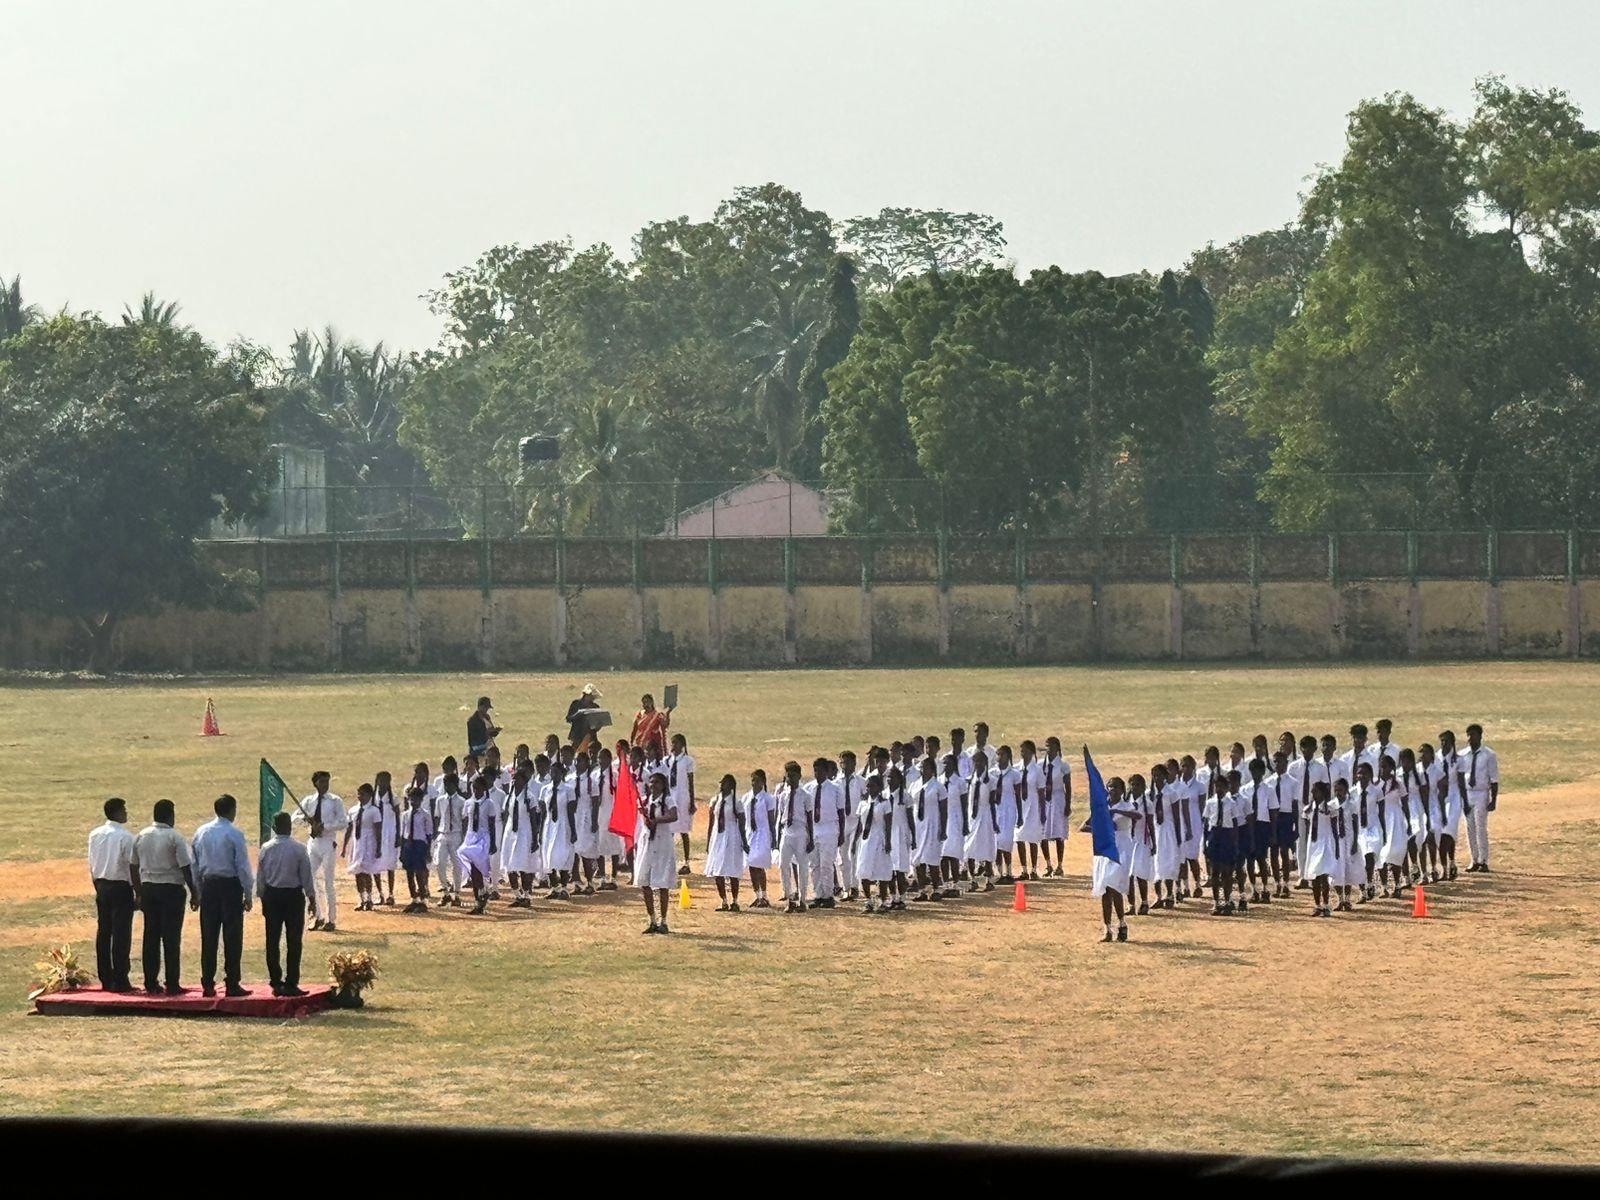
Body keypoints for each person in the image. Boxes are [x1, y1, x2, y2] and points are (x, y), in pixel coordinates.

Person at [131, 799, 197, 995]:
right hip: (171, 890)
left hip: (149, 889)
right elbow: (185, 866)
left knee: (150, 937)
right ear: (170, 816)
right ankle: (172, 982)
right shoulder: (174, 837)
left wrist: (138, 892)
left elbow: (133, 866)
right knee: (171, 937)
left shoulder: (141, 836)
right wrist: (194, 891)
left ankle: (150, 982)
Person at [191, 794, 253, 998]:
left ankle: (207, 983)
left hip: (209, 886)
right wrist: (248, 893)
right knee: (232, 937)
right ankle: (232, 983)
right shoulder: (234, 834)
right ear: (231, 810)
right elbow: (242, 866)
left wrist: (197, 891)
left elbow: (195, 865)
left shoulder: (201, 832)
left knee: (209, 937)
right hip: (230, 887)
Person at [257, 812, 315, 996]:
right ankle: (291, 982)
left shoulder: (266, 848)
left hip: (272, 896)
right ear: (289, 826)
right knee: (294, 940)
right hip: (293, 896)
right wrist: (311, 897)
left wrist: (262, 897)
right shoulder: (298, 849)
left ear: (274, 828)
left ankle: (275, 980)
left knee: (272, 939)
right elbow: (306, 876)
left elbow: (261, 877)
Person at [88, 797, 138, 992]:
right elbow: (130, 866)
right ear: (117, 812)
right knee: (121, 934)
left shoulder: (95, 834)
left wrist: (96, 883)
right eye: (124, 810)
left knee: (104, 932)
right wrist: (136, 890)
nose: (126, 813)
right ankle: (121, 978)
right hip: (120, 887)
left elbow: (92, 862)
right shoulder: (126, 837)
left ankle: (106, 978)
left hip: (101, 885)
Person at [291, 771, 345, 932]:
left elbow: (343, 822)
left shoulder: (335, 801)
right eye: (322, 782)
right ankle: (317, 916)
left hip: (328, 842)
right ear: (315, 783)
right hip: (313, 843)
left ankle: (331, 919)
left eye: (327, 782)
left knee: (328, 881)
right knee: (309, 879)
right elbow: (295, 817)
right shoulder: (309, 801)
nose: (325, 785)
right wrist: (306, 820)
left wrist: (324, 826)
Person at [1092, 776, 1137, 943]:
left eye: (1116, 787)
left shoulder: (1126, 806)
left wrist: (1117, 812)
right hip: (1105, 850)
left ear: (1122, 790)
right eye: (1110, 787)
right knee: (1105, 889)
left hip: (1122, 850)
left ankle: (1122, 922)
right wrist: (1102, 828)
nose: (1113, 790)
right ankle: (1107, 928)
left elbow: (1137, 815)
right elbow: (1085, 825)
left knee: (1114, 887)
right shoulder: (1102, 807)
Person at [637, 771, 680, 934]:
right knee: (645, 881)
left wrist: (657, 820)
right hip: (647, 842)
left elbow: (674, 815)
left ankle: (664, 920)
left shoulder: (667, 800)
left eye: (656, 782)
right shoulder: (644, 801)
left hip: (662, 842)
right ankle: (652, 919)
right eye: (651, 782)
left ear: (663, 785)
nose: (653, 785)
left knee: (662, 882)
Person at [704, 774, 749, 911]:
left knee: (732, 869)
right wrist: (708, 842)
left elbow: (742, 824)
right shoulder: (715, 801)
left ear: (731, 786)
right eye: (722, 783)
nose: (722, 786)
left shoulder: (736, 803)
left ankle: (735, 901)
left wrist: (744, 842)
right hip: (718, 836)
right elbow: (711, 823)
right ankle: (724, 900)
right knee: (717, 870)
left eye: (726, 783)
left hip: (731, 836)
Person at [1458, 723, 1499, 873]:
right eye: (1468, 735)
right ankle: (1474, 859)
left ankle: (1484, 860)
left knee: (1481, 827)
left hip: (1481, 792)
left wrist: (1493, 799)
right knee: (1470, 828)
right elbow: (1460, 778)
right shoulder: (1462, 755)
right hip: (1467, 793)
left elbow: (1494, 779)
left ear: (1480, 736)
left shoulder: (1489, 755)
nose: (1470, 738)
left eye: (1473, 735)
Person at [776, 762, 814, 913]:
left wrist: (810, 838)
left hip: (800, 831)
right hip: (787, 830)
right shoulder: (783, 795)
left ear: (799, 776)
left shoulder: (805, 795)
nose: (789, 779)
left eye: (792, 776)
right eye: (788, 776)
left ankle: (802, 900)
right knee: (783, 864)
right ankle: (790, 897)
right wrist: (778, 836)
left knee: (802, 866)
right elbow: (780, 816)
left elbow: (809, 818)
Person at [342, 784, 382, 911]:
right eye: (358, 794)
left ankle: (369, 899)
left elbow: (378, 830)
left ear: (370, 795)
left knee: (366, 871)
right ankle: (361, 898)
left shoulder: (374, 811)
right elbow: (349, 828)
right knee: (357, 872)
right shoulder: (354, 810)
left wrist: (378, 847)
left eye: (363, 794)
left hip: (368, 842)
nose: (360, 797)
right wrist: (344, 846)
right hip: (357, 843)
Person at [430, 766, 466, 906]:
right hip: (443, 834)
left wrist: (463, 838)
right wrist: (435, 834)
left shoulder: (461, 801)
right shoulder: (440, 800)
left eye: (450, 785)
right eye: (446, 785)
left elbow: (463, 821)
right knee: (439, 863)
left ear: (456, 786)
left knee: (457, 865)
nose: (448, 787)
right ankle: (445, 891)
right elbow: (437, 818)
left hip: (456, 834)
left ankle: (456, 894)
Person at [743, 769, 776, 908]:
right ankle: (757, 895)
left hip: (762, 833)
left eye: (757, 780)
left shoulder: (768, 799)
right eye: (753, 780)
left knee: (760, 865)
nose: (754, 783)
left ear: (763, 782)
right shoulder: (746, 798)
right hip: (750, 833)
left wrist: (773, 837)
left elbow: (771, 820)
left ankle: (764, 895)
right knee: (751, 865)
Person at [665, 733, 697, 876]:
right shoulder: (667, 761)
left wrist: (692, 801)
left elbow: (691, 782)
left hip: (683, 797)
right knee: (669, 830)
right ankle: (669, 860)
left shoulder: (687, 761)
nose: (673, 746)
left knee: (683, 830)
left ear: (682, 745)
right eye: (672, 743)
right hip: (671, 796)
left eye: (676, 743)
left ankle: (686, 862)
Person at [400, 786, 435, 912]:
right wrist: (402, 849)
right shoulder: (405, 815)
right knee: (409, 872)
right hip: (408, 844)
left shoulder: (425, 815)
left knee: (419, 872)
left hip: (420, 844)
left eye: (416, 799)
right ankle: (414, 899)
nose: (413, 801)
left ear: (421, 800)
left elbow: (429, 834)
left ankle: (423, 900)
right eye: (411, 799)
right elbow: (403, 833)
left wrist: (428, 851)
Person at [630, 693, 671, 760]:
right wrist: (631, 743)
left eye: (647, 702)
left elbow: (665, 725)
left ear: (652, 702)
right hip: (640, 746)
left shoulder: (657, 715)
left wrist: (668, 714)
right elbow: (634, 730)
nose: (646, 704)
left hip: (652, 748)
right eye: (644, 703)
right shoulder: (640, 714)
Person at [566, 683, 603, 753]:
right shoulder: (576, 704)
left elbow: (596, 727)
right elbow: (568, 718)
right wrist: (578, 715)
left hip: (591, 738)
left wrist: (598, 724)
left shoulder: (595, 707)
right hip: (577, 736)